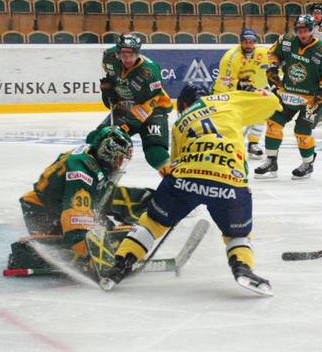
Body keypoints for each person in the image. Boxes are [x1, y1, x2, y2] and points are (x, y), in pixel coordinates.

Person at [99, 83, 282, 296]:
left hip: (184, 179)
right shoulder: (227, 100)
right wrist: (252, 92)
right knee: (236, 235)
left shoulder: (180, 123)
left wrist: (177, 201)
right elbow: (272, 102)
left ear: (184, 104)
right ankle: (242, 267)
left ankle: (119, 266)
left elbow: (175, 164)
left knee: (153, 222)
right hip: (229, 182)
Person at [6, 126, 136, 274]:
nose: (120, 163)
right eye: (119, 158)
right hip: (41, 211)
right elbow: (75, 225)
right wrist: (95, 256)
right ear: (107, 153)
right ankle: (24, 253)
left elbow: (93, 202)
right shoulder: (81, 172)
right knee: (75, 244)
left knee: (108, 232)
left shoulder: (93, 156)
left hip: (57, 205)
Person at [255, 15, 322, 180]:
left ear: (312, 29)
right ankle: (271, 161)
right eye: (299, 30)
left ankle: (308, 164)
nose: (303, 34)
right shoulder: (286, 40)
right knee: (273, 124)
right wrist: (273, 68)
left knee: (302, 131)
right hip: (286, 93)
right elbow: (272, 53)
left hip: (311, 99)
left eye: (306, 30)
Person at [87, 34, 173, 173]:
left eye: (131, 55)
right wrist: (108, 88)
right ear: (117, 53)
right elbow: (111, 76)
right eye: (123, 55)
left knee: (154, 151)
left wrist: (125, 126)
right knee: (96, 139)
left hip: (154, 109)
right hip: (125, 105)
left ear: (138, 53)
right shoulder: (109, 56)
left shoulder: (150, 72)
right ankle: (96, 181)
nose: (127, 59)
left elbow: (150, 103)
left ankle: (174, 182)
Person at [213, 28, 270, 160]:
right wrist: (243, 86)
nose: (248, 44)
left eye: (251, 42)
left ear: (255, 42)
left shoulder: (261, 52)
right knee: (230, 120)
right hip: (225, 92)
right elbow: (226, 82)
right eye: (246, 41)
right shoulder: (231, 57)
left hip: (246, 89)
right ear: (241, 42)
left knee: (262, 111)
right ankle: (224, 145)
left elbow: (276, 59)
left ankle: (253, 144)